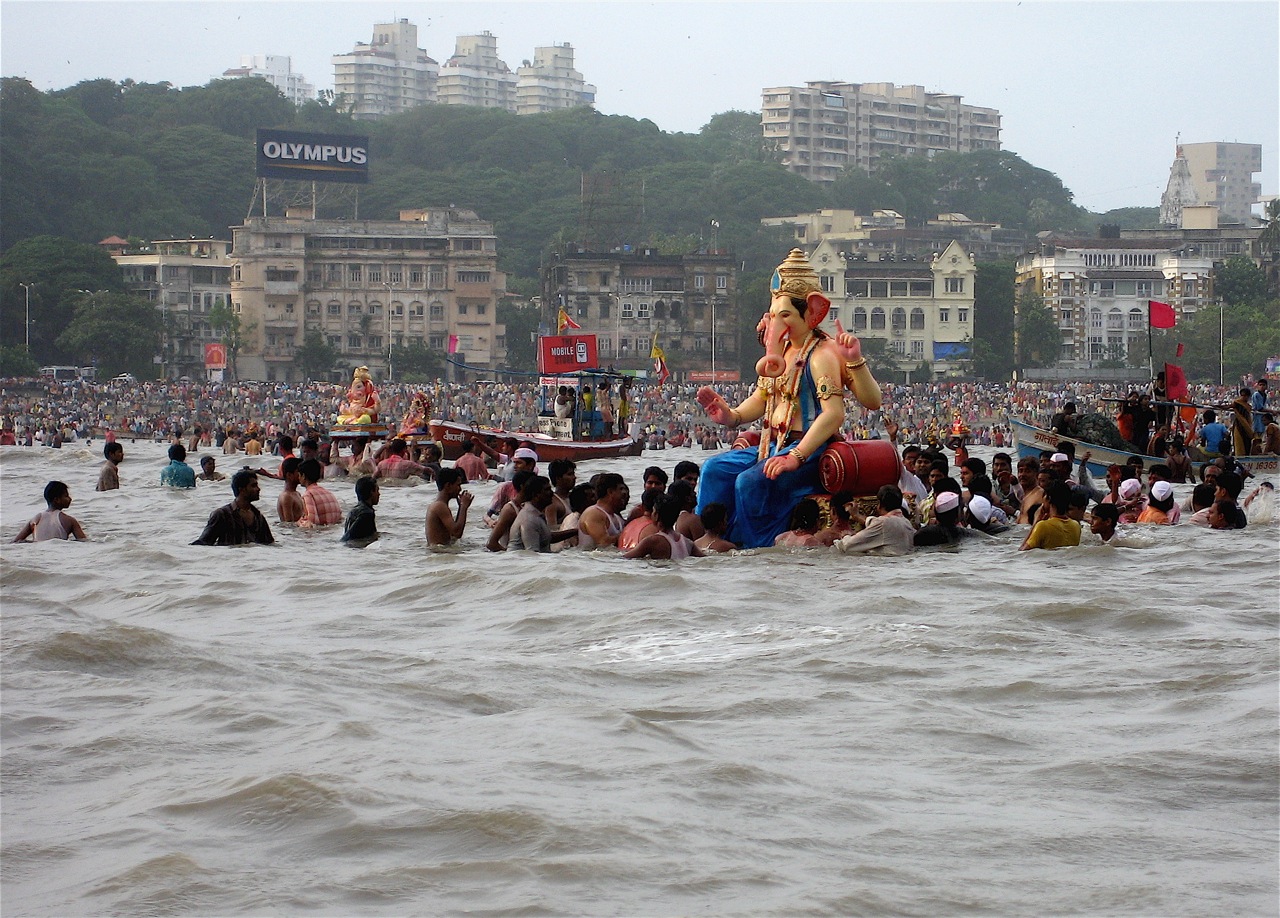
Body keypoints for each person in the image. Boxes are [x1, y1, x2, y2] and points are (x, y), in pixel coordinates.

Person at [695, 249, 880, 548]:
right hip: (773, 444)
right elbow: (763, 396)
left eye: (785, 316)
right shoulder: (780, 352)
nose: (776, 323)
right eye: (773, 314)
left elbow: (834, 414)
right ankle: (711, 539)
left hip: (810, 448)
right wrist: (731, 415)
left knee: (750, 482)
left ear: (812, 312)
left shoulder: (821, 355)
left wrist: (796, 457)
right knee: (713, 469)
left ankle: (755, 547)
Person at [192, 470, 275, 546]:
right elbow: (203, 543)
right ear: (242, 489)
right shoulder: (222, 515)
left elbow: (269, 544)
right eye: (253, 486)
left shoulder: (258, 517)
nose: (258, 489)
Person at [837, 485, 916, 555]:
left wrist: (845, 536)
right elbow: (875, 523)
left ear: (879, 504)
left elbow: (847, 546)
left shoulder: (883, 523)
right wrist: (856, 515)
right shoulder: (906, 522)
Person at [507, 475, 578, 552]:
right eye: (547, 490)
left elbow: (547, 537)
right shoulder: (529, 520)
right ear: (535, 495)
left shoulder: (535, 514)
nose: (551, 493)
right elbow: (533, 554)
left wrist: (575, 531)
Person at [624, 493, 704, 560]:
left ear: (656, 515)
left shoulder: (652, 541)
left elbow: (625, 558)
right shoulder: (688, 543)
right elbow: (704, 558)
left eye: (653, 511)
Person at [13, 480, 87, 542]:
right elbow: (83, 542)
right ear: (57, 500)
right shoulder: (70, 520)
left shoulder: (35, 519)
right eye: (66, 496)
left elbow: (16, 542)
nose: (70, 499)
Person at [1019, 481, 1081, 550]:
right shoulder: (1076, 525)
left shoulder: (1042, 526)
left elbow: (1022, 551)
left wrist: (1035, 523)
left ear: (1049, 499)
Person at [578, 472, 628, 549]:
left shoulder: (617, 518)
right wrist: (628, 534)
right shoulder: (593, 513)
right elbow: (603, 542)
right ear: (610, 492)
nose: (624, 493)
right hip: (591, 559)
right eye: (621, 489)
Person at [427, 467, 474, 546]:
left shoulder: (439, 505)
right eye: (458, 485)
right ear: (448, 485)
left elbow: (453, 534)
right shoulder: (440, 506)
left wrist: (460, 507)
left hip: (440, 551)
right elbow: (457, 533)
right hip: (440, 553)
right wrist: (463, 507)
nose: (460, 489)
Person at [298, 458, 342, 527]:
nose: (298, 478)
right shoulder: (329, 493)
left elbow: (311, 524)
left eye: (299, 475)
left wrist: (299, 523)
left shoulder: (308, 495)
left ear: (303, 476)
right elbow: (340, 519)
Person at [341, 476, 380, 545]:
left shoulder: (353, 511)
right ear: (371, 492)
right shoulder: (367, 514)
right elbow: (349, 537)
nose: (379, 494)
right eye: (377, 490)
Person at [1228, 388, 1256, 456]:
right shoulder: (1237, 402)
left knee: (1247, 443)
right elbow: (1228, 407)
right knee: (1239, 444)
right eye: (1242, 395)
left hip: (1247, 427)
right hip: (1238, 426)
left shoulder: (1248, 406)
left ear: (1248, 396)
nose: (1243, 397)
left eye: (1245, 396)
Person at [277, 457, 305, 523]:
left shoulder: (297, 494)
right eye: (299, 472)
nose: (301, 475)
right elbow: (289, 524)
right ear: (289, 475)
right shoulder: (286, 497)